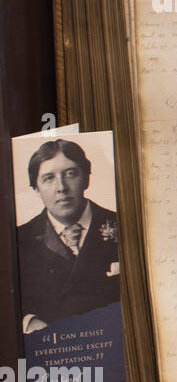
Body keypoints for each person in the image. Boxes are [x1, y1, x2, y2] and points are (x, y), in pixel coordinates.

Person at [17, 138, 121, 332]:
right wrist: (28, 321)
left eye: (71, 174)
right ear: (36, 189)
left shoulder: (124, 226)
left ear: (86, 178)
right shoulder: (19, 240)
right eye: (48, 178)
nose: (62, 187)